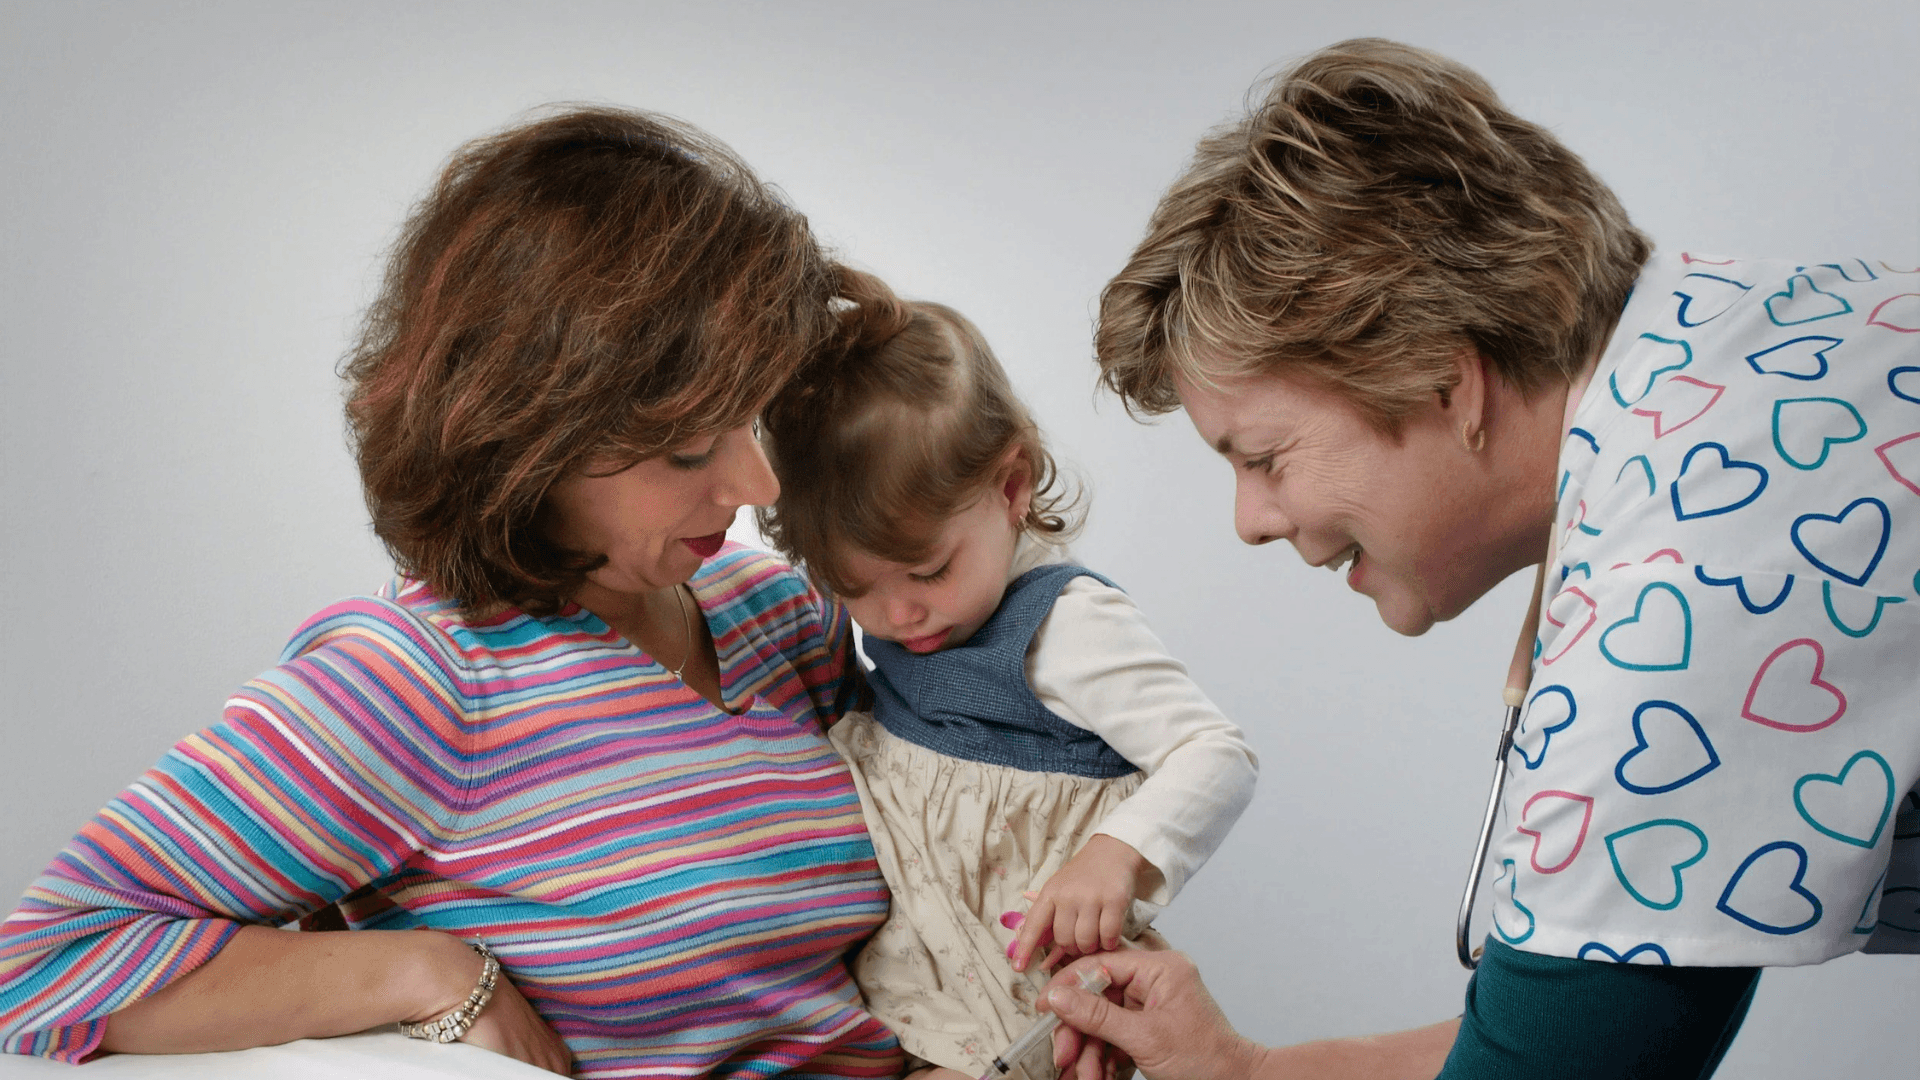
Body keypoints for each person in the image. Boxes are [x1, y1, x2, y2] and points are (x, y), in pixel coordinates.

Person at [1040, 37, 1920, 1080]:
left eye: (1265, 457)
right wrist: (1249, 1070)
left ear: (1445, 382)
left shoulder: (1678, 586)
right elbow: (1568, 1041)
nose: (1250, 520)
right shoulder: (1736, 348)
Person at [0, 107, 909, 1078]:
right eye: (689, 449)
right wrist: (429, 973)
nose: (757, 488)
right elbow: (46, 964)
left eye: (752, 422)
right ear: (529, 439)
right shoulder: (418, 684)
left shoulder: (773, 611)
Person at [755, 276, 1259, 1079]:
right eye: (855, 588)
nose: (898, 618)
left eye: (927, 570)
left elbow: (1215, 754)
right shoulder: (896, 624)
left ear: (1012, 485)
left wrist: (1116, 855)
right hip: (912, 1002)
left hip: (1020, 1007)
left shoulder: (1065, 628)